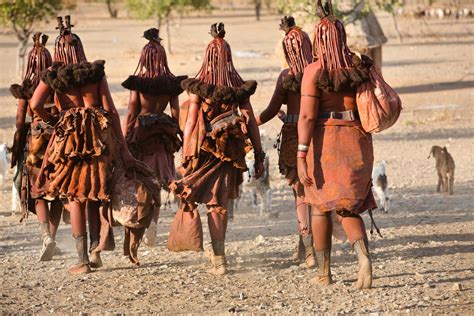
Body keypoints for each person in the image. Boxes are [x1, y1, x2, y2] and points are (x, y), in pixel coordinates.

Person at [30, 16, 136, 274]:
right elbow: (110, 110)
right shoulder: (95, 74)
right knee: (95, 192)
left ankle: (82, 261)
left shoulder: (52, 76)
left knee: (74, 196)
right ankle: (95, 250)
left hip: (68, 141)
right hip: (96, 138)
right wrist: (122, 147)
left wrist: (54, 120)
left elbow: (34, 105)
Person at [171, 23, 265, 275]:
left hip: (203, 150)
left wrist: (186, 155)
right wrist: (258, 154)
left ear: (207, 58)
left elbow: (191, 123)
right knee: (218, 204)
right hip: (229, 149)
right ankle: (219, 258)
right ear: (229, 57)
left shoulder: (199, 88)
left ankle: (218, 258)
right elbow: (251, 121)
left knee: (207, 201)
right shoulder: (238, 88)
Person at [297, 0, 376, 289]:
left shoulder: (314, 70)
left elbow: (306, 115)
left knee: (319, 205)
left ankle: (324, 274)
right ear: (342, 37)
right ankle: (363, 258)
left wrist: (301, 153)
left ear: (318, 39)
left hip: (325, 140)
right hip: (357, 139)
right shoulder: (358, 65)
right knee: (349, 207)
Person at [256, 16, 315, 268]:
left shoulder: (286, 76)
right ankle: (307, 248)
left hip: (294, 137)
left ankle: (311, 252)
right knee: (316, 193)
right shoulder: (322, 73)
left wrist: (248, 124)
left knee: (300, 194)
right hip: (320, 135)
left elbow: (269, 111)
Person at [122, 28, 187, 246]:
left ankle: (141, 222)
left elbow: (132, 112)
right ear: (162, 58)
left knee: (142, 181)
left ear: (144, 58)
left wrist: (125, 136)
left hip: (142, 134)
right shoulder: (171, 83)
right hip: (162, 133)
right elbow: (176, 112)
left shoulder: (138, 83)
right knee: (160, 181)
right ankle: (154, 224)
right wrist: (177, 133)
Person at [10, 32, 63, 261]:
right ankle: (52, 236)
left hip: (35, 145)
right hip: (59, 142)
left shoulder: (27, 89)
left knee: (38, 191)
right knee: (58, 192)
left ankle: (45, 236)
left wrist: (19, 142)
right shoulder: (59, 85)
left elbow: (20, 123)